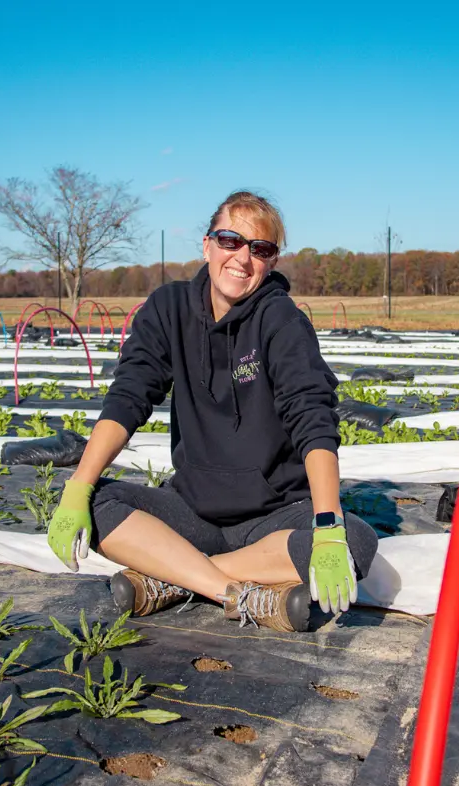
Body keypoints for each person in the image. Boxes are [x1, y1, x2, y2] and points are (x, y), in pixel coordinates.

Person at [45, 191, 378, 633]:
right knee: (96, 500)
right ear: (207, 245)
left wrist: (328, 524)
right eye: (230, 240)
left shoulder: (281, 321)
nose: (242, 257)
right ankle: (233, 592)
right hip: (194, 513)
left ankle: (175, 578)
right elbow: (128, 397)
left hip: (274, 518)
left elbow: (312, 418)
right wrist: (77, 487)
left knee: (355, 541)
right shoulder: (169, 310)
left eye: (260, 249)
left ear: (272, 262)